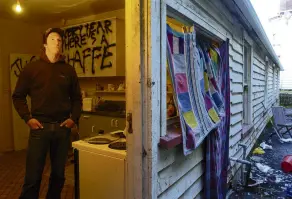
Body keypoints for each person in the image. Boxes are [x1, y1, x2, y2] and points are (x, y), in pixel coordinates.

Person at [12, 27, 82, 199]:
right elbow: (18, 96)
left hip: (62, 129)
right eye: (52, 39)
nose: (57, 42)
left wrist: (73, 119)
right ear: (45, 44)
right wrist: (28, 118)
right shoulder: (32, 69)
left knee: (58, 176)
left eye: (59, 40)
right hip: (39, 129)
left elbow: (77, 99)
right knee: (33, 177)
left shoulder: (68, 70)